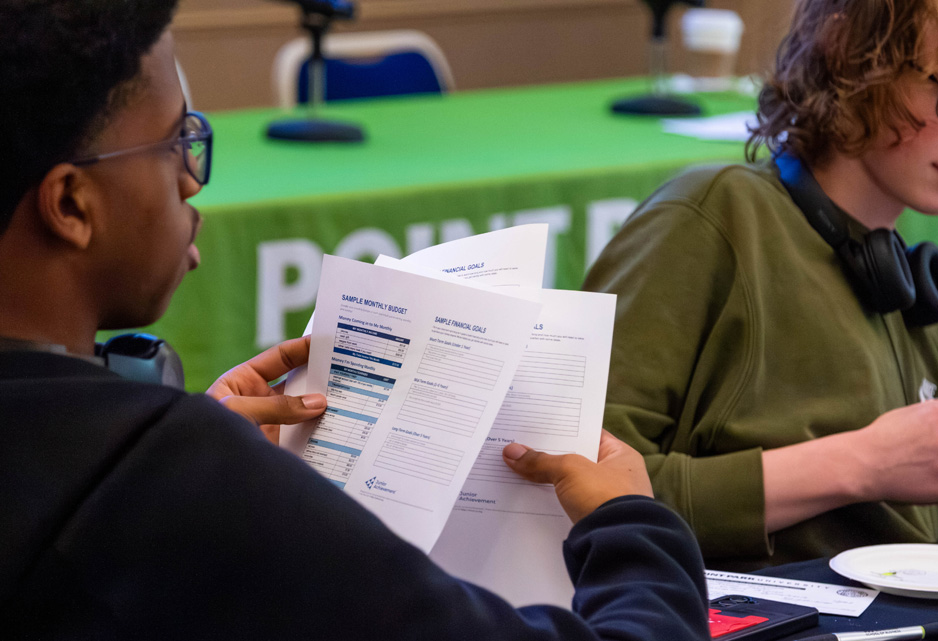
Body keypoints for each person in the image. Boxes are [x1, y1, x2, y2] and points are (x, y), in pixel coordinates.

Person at [0, 1, 710, 638]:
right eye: (173, 142)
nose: (190, 177)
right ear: (70, 206)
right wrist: (631, 526)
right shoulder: (183, 480)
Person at [584, 0, 938, 570]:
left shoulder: (909, 296)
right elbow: (575, 481)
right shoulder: (716, 217)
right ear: (849, 53)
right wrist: (858, 463)